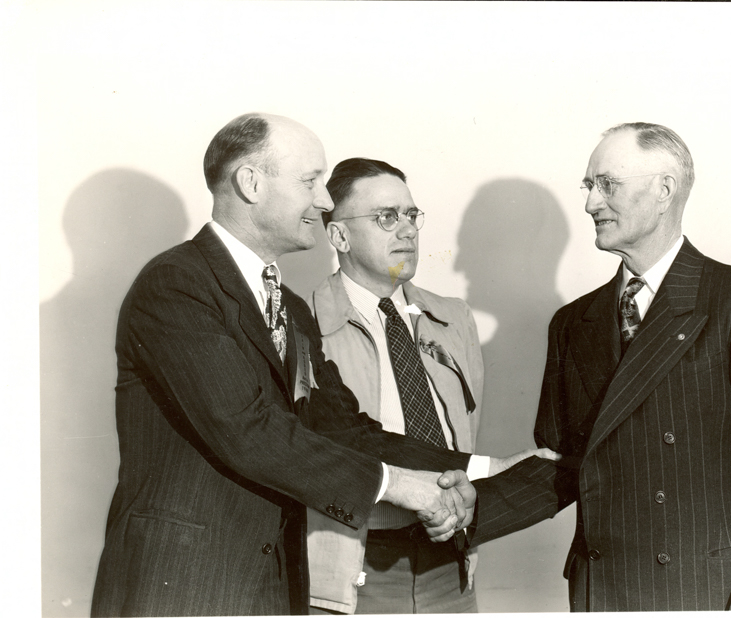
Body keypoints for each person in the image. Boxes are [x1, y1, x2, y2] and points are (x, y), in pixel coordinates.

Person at [90, 113, 478, 617]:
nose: (324, 200)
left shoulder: (291, 309)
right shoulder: (175, 285)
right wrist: (405, 487)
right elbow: (247, 429)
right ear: (251, 183)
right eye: (310, 181)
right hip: (185, 585)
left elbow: (344, 429)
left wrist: (476, 470)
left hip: (275, 586)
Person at [444, 122, 731, 611]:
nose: (590, 204)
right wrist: (475, 508)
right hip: (602, 592)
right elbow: (562, 465)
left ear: (664, 190)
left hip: (705, 594)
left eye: (607, 184)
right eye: (588, 186)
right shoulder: (572, 323)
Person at [305, 158, 556, 614]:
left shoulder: (453, 319)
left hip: (450, 559)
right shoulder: (305, 328)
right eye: (386, 217)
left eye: (411, 215)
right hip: (358, 561)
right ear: (339, 236)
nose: (407, 230)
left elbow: (465, 427)